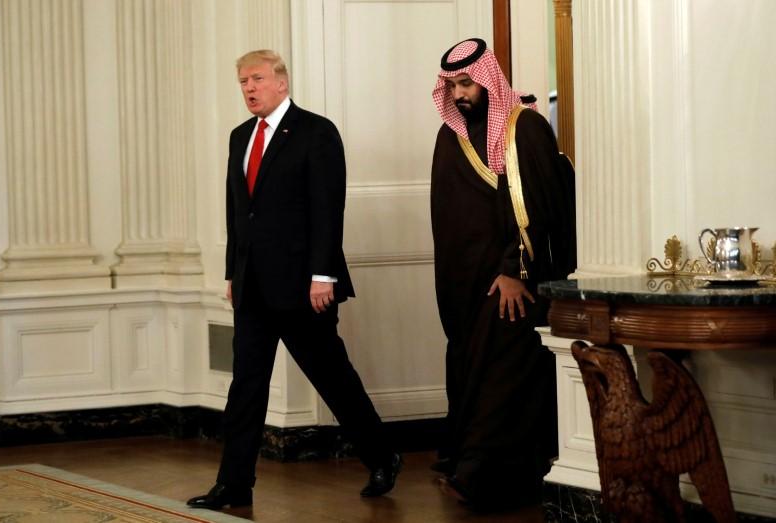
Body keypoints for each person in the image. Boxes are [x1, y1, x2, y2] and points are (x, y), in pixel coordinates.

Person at [187, 49, 401, 511]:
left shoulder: (316, 133)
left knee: (333, 378)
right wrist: (231, 273)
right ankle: (234, 484)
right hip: (252, 287)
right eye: (243, 81)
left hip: (305, 287)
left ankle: (383, 456)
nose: (249, 88)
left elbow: (328, 209)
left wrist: (322, 275)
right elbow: (238, 213)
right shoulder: (240, 136)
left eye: (257, 79)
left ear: (282, 82)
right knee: (245, 385)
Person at [429, 38, 576, 511]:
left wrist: (515, 270)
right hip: (466, 285)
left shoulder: (525, 128)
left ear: (489, 79)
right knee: (472, 367)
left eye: (467, 83)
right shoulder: (449, 136)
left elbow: (533, 205)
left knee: (503, 376)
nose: (459, 94)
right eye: (451, 85)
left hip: (514, 282)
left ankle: (479, 475)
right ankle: (470, 464)